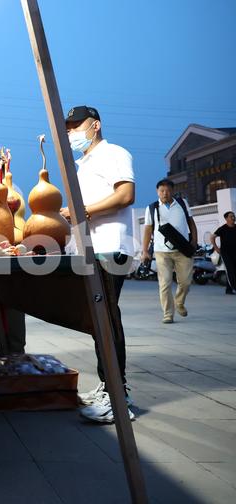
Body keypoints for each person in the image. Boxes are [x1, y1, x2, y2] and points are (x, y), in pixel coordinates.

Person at [60, 105, 136, 423]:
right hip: (92, 250)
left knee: (107, 319)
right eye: (68, 129)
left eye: (77, 127)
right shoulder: (83, 165)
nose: (72, 133)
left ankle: (118, 397)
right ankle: (108, 386)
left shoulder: (115, 153)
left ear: (96, 126)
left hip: (111, 247)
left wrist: (83, 211)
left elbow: (126, 195)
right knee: (98, 320)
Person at [141, 179, 197, 323]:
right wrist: (144, 251)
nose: (165, 193)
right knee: (164, 283)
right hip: (161, 251)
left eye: (168, 190)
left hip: (183, 249)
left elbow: (191, 223)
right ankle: (168, 314)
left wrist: (194, 241)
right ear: (157, 192)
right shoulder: (152, 208)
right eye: (162, 191)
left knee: (185, 282)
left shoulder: (182, 203)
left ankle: (179, 301)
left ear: (173, 191)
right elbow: (147, 230)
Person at [211, 211, 236, 295]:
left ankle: (229, 289)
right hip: (226, 253)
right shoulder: (222, 228)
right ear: (226, 218)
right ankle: (234, 287)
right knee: (230, 270)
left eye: (234, 216)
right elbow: (212, 237)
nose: (233, 218)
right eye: (231, 216)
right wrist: (216, 248)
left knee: (234, 270)